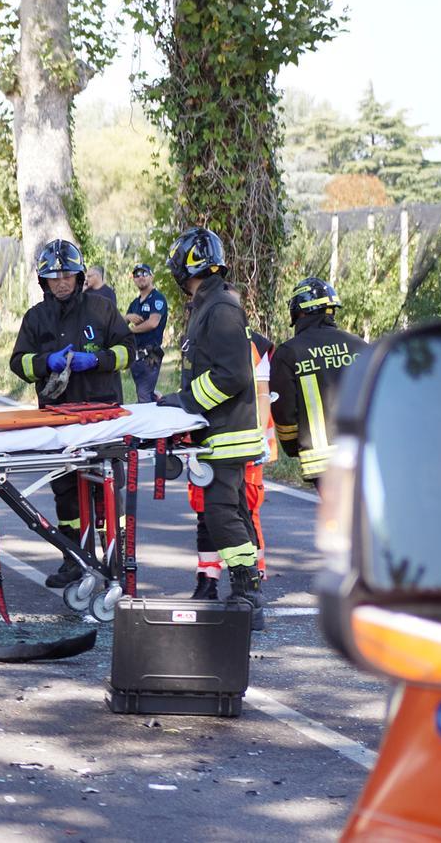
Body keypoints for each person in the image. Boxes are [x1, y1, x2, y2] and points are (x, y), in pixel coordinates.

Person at [157, 226, 267, 628]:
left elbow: (231, 375)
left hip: (226, 433)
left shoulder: (218, 307)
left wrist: (186, 402)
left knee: (222, 514)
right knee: (230, 511)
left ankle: (247, 591)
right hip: (218, 431)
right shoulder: (211, 304)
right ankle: (245, 588)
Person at [9, 240, 133, 588]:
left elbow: (129, 351)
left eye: (67, 276)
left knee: (106, 490)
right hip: (59, 421)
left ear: (79, 277)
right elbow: (18, 362)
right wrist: (44, 362)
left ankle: (114, 560)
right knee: (65, 491)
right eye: (53, 277)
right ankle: (73, 559)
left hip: (102, 417)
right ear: (43, 282)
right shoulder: (36, 318)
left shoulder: (103, 310)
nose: (61, 282)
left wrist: (97, 360)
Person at [187, 326, 275, 598]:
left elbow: (262, 393)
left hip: (245, 442)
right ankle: (208, 579)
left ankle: (252, 580)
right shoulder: (197, 341)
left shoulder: (254, 346)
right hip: (209, 437)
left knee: (245, 510)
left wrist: (259, 438)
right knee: (206, 510)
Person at [270, 277, 367, 492]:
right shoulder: (360, 346)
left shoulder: (289, 353)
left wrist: (292, 446)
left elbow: (283, 410)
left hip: (323, 462)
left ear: (299, 312)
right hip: (364, 452)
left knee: (344, 520)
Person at [124, 263, 168, 403]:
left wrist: (131, 330)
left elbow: (153, 323)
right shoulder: (134, 303)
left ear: (151, 276)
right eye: (137, 274)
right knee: (144, 394)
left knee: (144, 396)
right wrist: (127, 317)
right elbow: (120, 325)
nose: (140, 277)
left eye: (144, 273)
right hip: (136, 356)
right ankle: (158, 400)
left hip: (151, 355)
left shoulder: (157, 298)